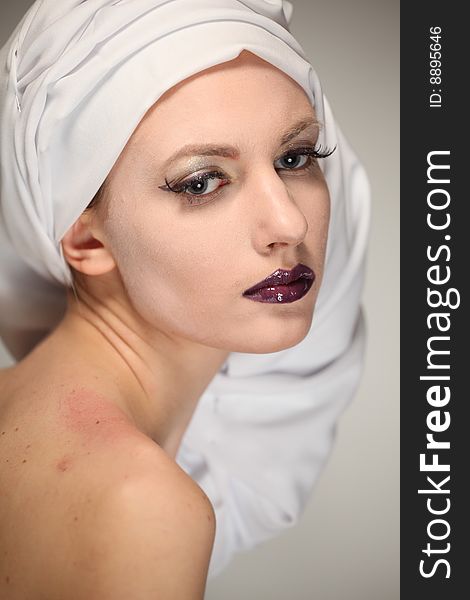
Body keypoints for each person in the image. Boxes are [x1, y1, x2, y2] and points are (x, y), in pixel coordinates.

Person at [0, 0, 371, 597]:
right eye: (202, 182)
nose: (288, 224)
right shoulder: (142, 509)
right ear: (87, 238)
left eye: (295, 158)